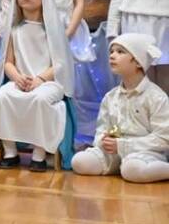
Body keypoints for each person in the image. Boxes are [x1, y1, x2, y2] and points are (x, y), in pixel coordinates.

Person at [0, 0, 75, 171]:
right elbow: (8, 62)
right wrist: (17, 77)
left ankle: (39, 155)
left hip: (49, 83)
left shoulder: (52, 31)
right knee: (2, 97)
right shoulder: (14, 30)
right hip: (21, 81)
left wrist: (40, 79)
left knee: (40, 100)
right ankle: (10, 152)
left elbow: (60, 64)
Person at [72, 33, 169, 183]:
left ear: (138, 62)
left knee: (132, 169)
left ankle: (154, 168)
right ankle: (120, 165)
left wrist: (124, 145)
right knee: (80, 161)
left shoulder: (156, 97)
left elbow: (163, 138)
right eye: (111, 51)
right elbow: (102, 129)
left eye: (120, 52)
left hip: (145, 153)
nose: (112, 56)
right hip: (115, 152)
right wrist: (105, 140)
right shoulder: (110, 97)